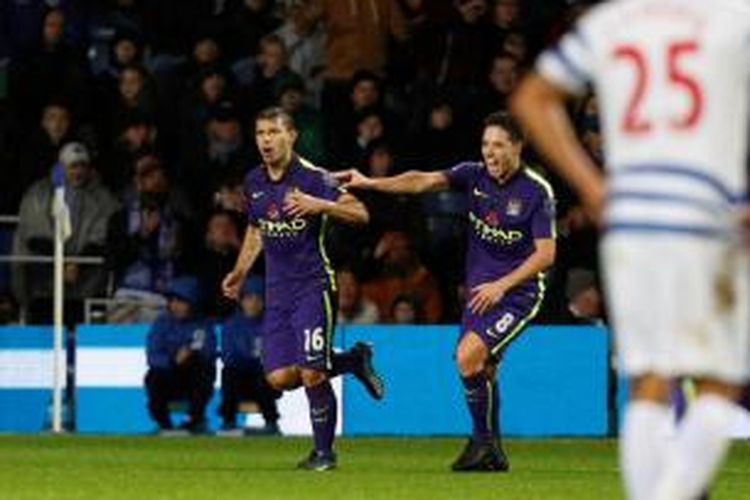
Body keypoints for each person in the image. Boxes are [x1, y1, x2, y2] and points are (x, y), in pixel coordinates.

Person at [511, 1, 750, 498]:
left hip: (631, 215)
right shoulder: (732, 16)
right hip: (706, 209)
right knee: (722, 378)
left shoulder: (613, 21)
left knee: (649, 380)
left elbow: (532, 97)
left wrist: (592, 188)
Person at [336, 111, 556, 471]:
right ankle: (493, 452)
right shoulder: (474, 175)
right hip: (478, 293)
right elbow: (420, 181)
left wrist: (502, 285)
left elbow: (546, 254)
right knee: (483, 369)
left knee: (468, 357)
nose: (490, 152)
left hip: (518, 294)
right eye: (486, 144)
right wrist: (370, 183)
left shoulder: (535, 191)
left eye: (499, 144)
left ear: (518, 146)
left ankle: (482, 444)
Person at [221, 107, 385, 471]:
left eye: (273, 132)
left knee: (312, 371)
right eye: (260, 133)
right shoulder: (253, 181)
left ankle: (324, 454)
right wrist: (238, 271)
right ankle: (351, 360)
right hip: (277, 293)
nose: (265, 140)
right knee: (279, 378)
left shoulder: (314, 178)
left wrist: (320, 204)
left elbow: (361, 214)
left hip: (313, 285)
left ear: (291, 135)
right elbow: (256, 230)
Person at [144, 276, 217, 434]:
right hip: (169, 376)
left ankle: (195, 420)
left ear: (192, 303)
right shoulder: (162, 323)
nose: (175, 305)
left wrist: (191, 354)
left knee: (204, 369)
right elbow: (152, 356)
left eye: (181, 301)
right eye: (172, 301)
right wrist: (173, 360)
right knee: (153, 376)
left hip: (193, 377)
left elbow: (210, 352)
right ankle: (164, 423)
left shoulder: (203, 324)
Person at [219, 275, 280, 433]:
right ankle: (228, 421)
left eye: (258, 298)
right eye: (249, 298)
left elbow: (278, 354)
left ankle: (271, 422)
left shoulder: (274, 324)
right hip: (240, 377)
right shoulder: (231, 325)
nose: (253, 303)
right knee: (229, 373)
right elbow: (228, 356)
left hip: (266, 380)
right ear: (241, 300)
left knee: (263, 373)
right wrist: (253, 358)